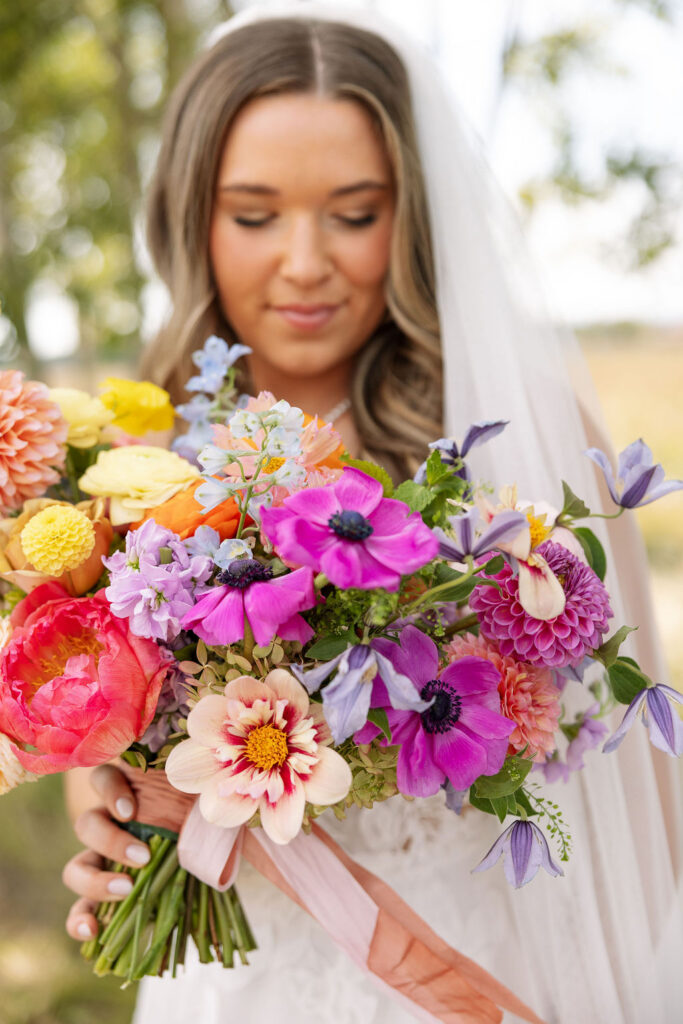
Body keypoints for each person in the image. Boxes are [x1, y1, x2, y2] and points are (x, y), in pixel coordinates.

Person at [62, 4, 683, 1022]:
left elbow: (634, 788)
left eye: (352, 213)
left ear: (410, 217)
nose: (304, 262)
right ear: (192, 216)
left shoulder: (518, 438)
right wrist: (112, 830)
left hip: (461, 968)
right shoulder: (136, 461)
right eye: (254, 215)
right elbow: (100, 747)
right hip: (234, 981)